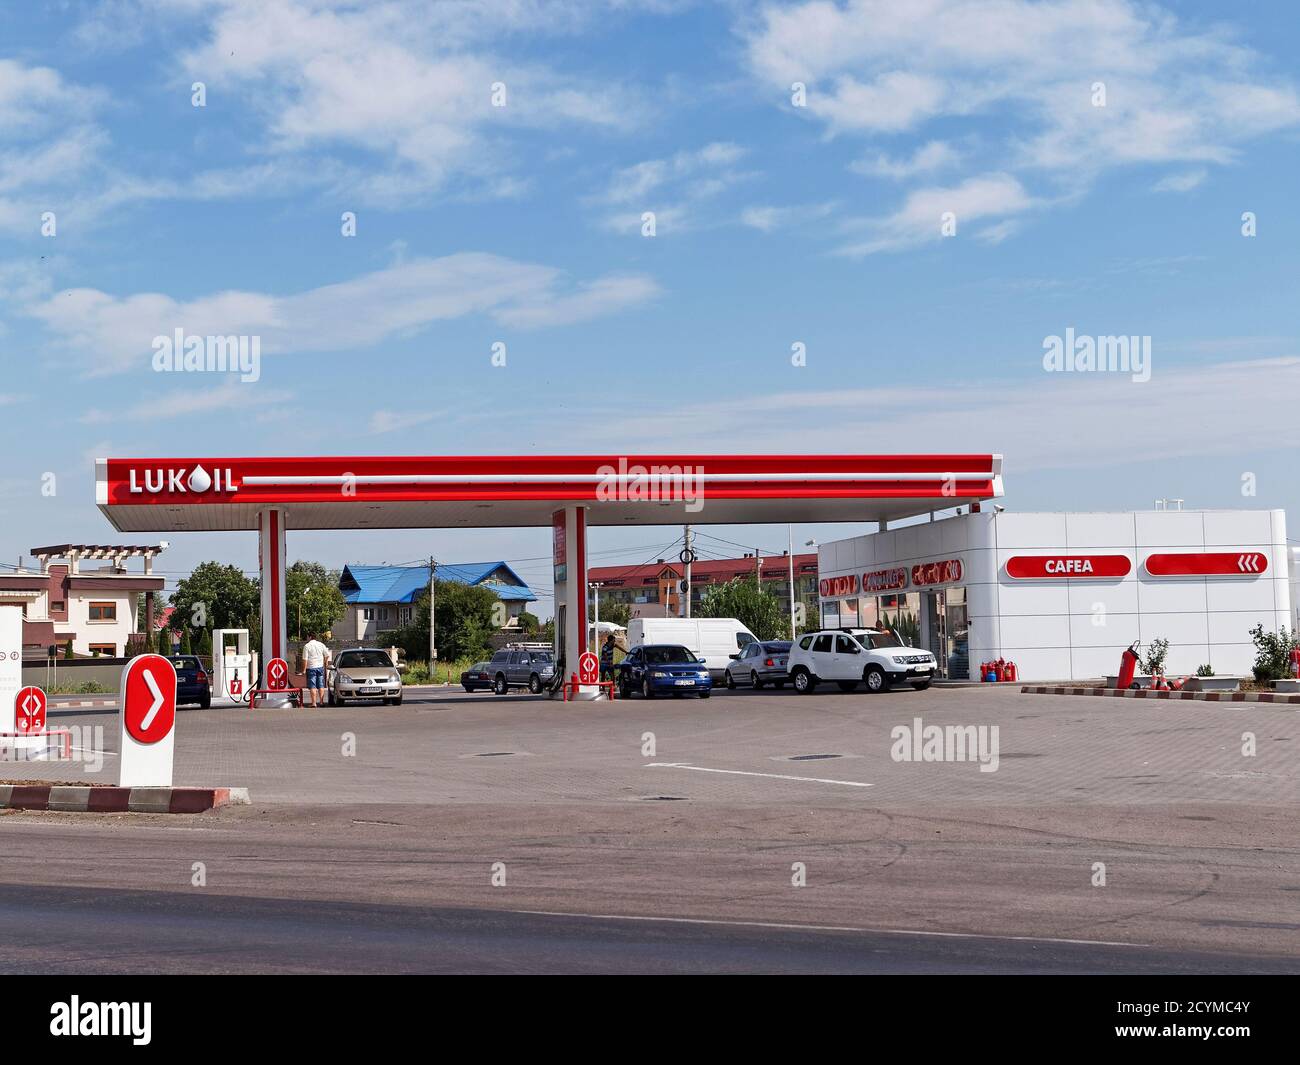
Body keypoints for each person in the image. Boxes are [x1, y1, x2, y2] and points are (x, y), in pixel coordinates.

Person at [301, 633, 331, 708]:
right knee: (321, 684)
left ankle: (314, 703)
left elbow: (305, 659)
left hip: (311, 668)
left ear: (310, 637)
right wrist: (325, 663)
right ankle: (321, 702)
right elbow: (327, 655)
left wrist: (303, 670)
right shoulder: (321, 644)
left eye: (307, 636)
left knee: (312, 685)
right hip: (320, 667)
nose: (307, 638)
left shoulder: (307, 646)